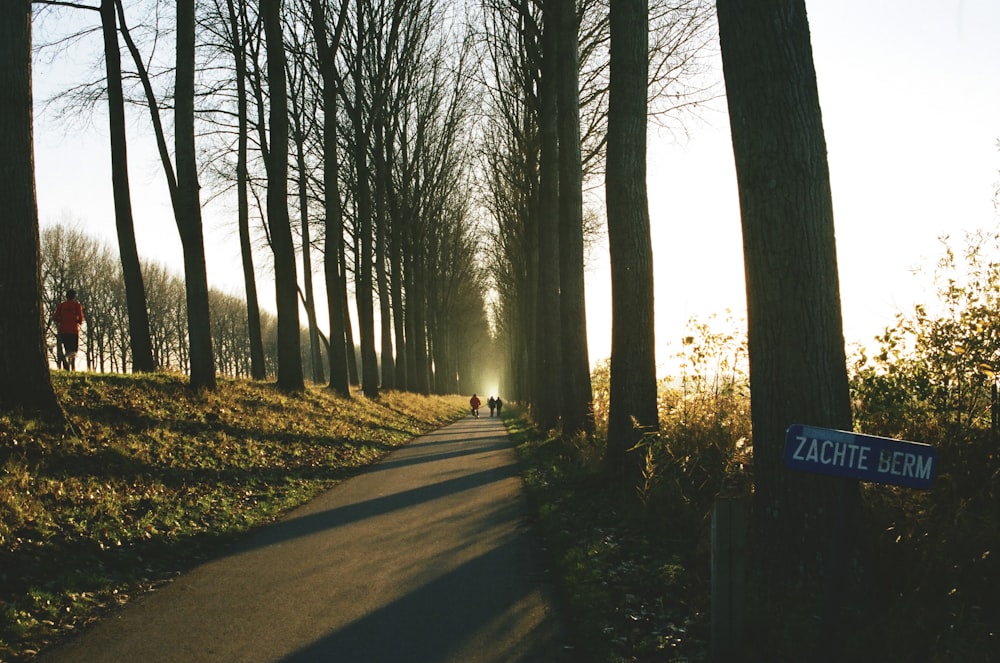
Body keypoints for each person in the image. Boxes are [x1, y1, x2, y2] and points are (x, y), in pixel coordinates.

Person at [53, 289, 85, 370]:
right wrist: (77, 321)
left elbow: (55, 317)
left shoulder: (61, 306)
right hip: (73, 331)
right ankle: (71, 366)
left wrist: (61, 320)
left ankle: (66, 363)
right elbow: (81, 319)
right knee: (73, 350)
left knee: (67, 349)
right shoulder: (77, 305)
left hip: (63, 330)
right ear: (74, 296)